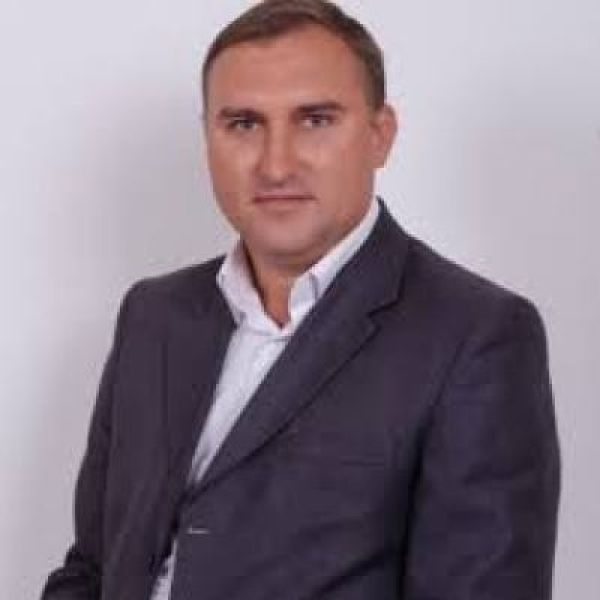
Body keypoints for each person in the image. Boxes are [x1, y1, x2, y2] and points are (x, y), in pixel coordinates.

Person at [41, 1, 561, 598]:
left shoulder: (476, 337)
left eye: (315, 120)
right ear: (208, 138)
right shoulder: (153, 316)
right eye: (244, 124)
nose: (276, 164)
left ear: (380, 135)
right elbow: (94, 567)